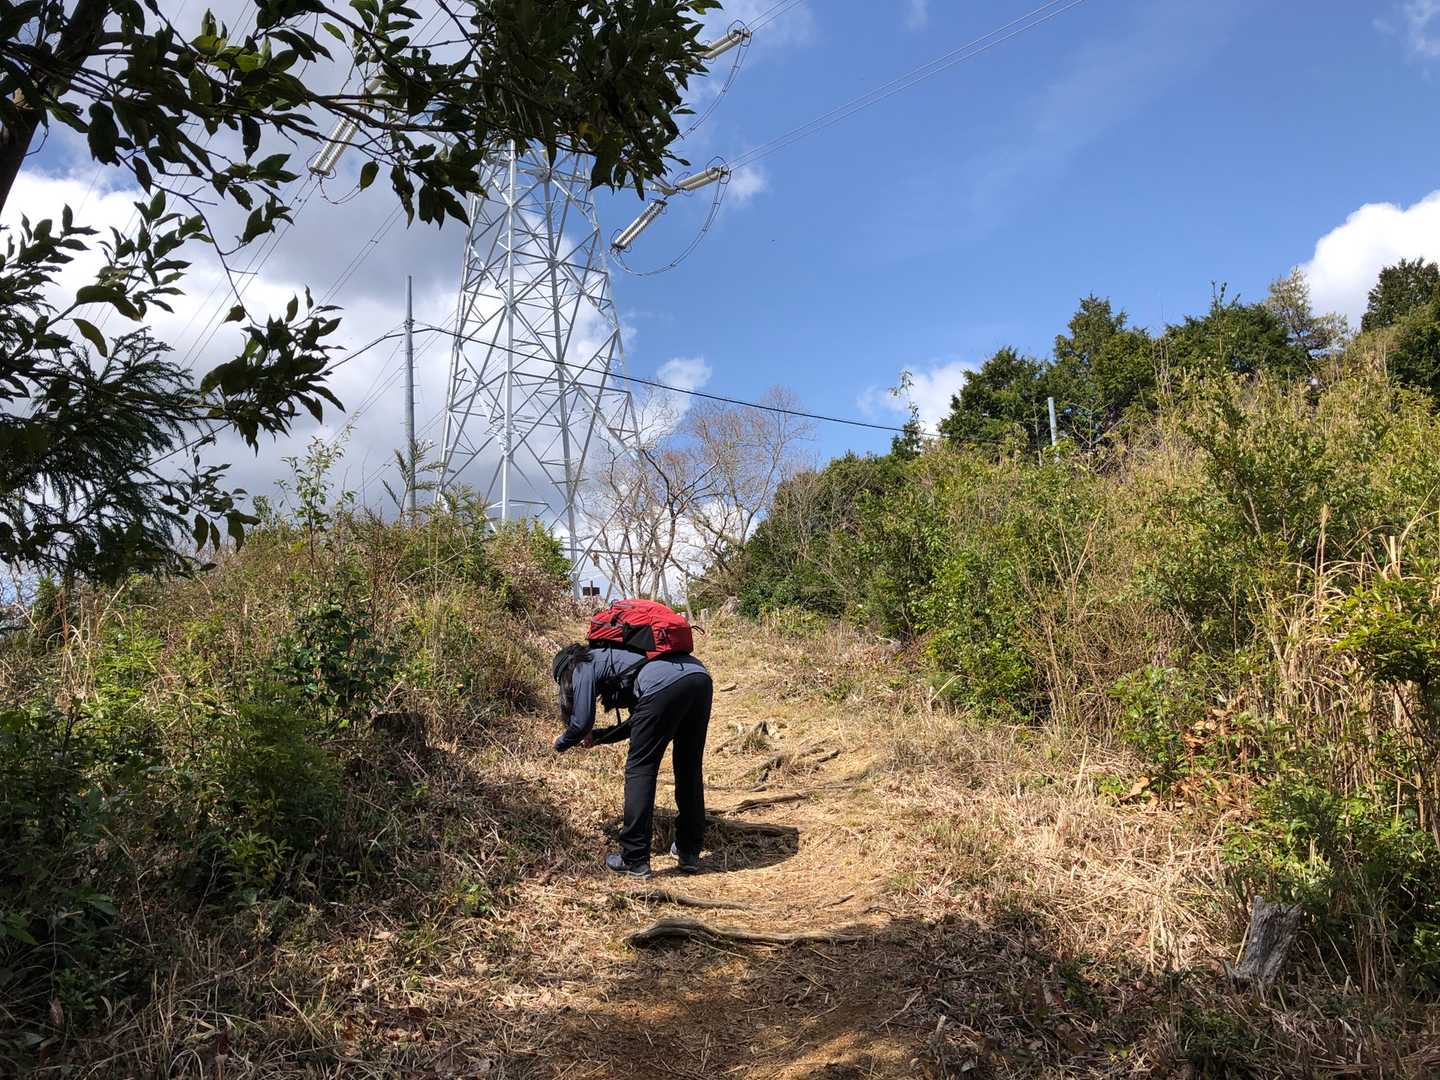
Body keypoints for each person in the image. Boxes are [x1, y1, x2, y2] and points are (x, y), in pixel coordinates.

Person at [552, 642, 712, 879]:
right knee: (688, 767)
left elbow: (582, 721)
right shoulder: (623, 657)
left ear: (564, 672)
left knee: (640, 769)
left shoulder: (581, 664)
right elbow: (638, 723)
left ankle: (634, 858)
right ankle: (689, 851)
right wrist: (599, 737)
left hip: (664, 684)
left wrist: (560, 743)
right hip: (699, 677)